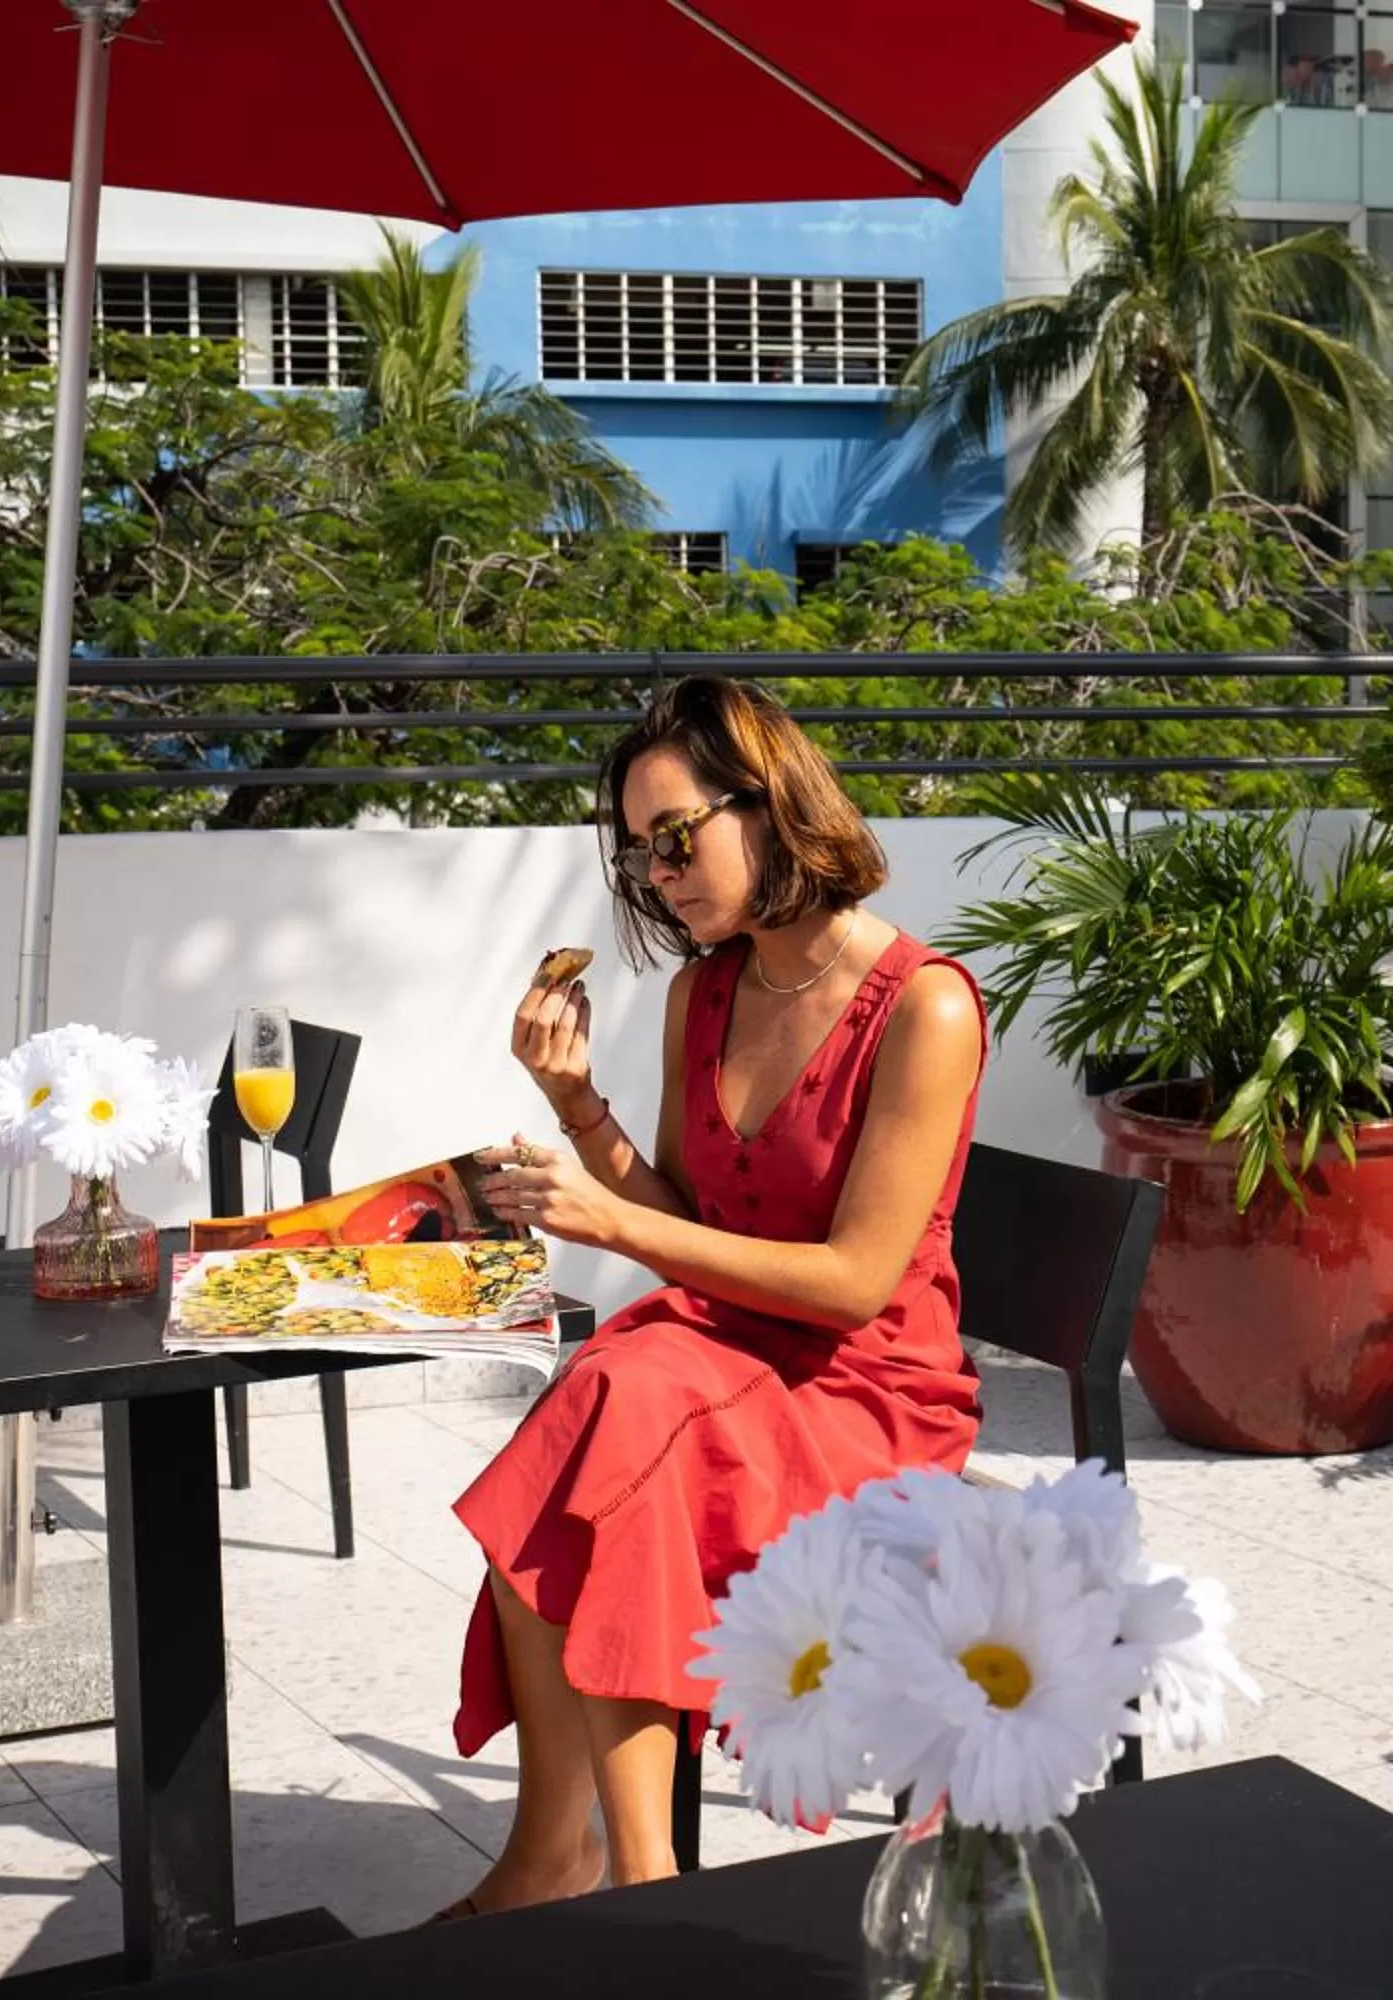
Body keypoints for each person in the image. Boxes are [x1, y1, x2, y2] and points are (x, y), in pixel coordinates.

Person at [426, 676, 989, 1921]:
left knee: (623, 1397)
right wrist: (575, 1106)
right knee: (593, 1401)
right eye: (637, 854)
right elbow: (696, 1220)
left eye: (675, 835)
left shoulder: (926, 1004)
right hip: (732, 1353)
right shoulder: (710, 991)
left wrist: (611, 1219)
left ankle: (634, 1885)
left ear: (772, 803)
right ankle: (563, 1858)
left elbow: (852, 1284)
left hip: (869, 1389)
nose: (657, 872)